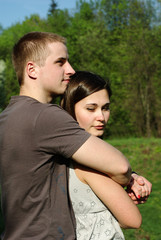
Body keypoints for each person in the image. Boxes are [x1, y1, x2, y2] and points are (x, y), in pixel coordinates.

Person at [0, 31, 133, 240]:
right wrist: (131, 181)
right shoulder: (46, 116)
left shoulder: (6, 118)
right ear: (32, 69)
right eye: (60, 62)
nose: (70, 70)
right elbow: (120, 166)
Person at [61, 71, 143, 239]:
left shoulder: (59, 155)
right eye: (91, 108)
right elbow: (133, 220)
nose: (101, 117)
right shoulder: (89, 163)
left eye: (105, 108)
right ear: (70, 108)